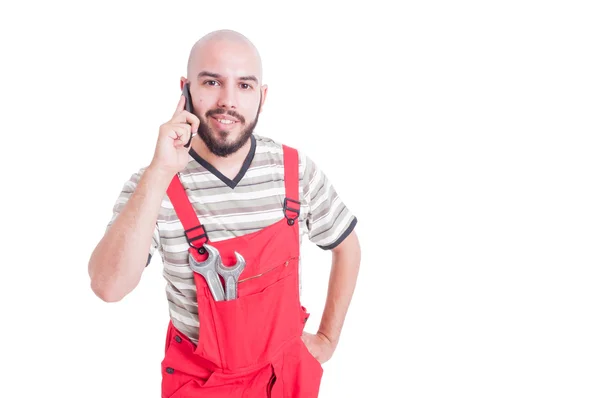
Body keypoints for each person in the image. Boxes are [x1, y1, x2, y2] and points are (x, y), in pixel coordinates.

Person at [88, 29, 361, 397]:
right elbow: (108, 287)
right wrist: (159, 171)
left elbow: (347, 247)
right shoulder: (154, 185)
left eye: (244, 86)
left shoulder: (294, 171)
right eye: (212, 81)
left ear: (262, 97)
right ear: (185, 90)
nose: (228, 101)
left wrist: (327, 338)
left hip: (286, 378)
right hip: (200, 384)